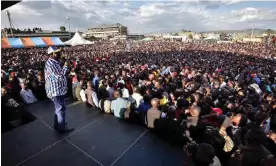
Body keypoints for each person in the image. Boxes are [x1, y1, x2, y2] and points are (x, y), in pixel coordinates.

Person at [44, 46, 74, 133]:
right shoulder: (50, 64)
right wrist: (65, 66)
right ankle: (61, 128)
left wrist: (67, 75)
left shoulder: (55, 62)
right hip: (56, 91)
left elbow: (58, 75)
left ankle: (58, 124)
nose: (59, 54)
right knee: (60, 109)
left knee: (59, 109)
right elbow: (59, 76)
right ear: (52, 54)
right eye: (57, 53)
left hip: (58, 90)